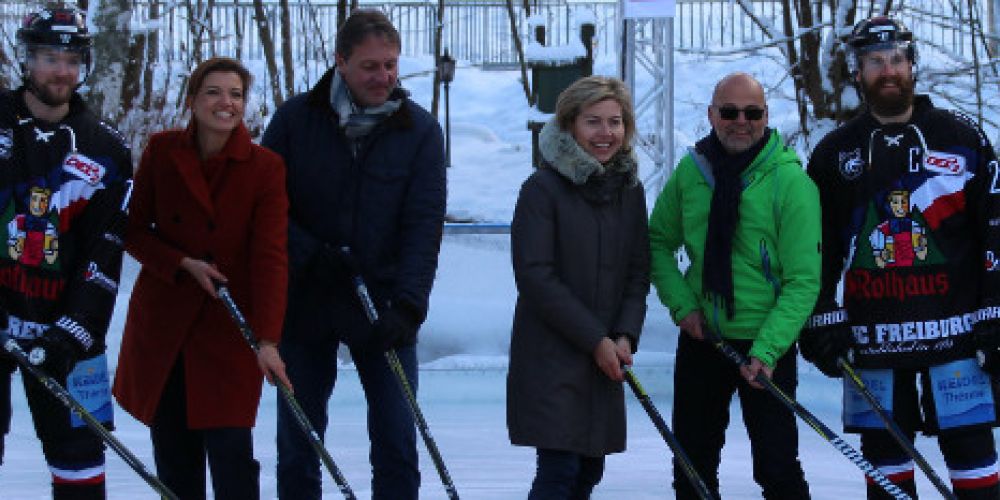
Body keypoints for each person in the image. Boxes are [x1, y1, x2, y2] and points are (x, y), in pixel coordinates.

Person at [800, 16, 1000, 499]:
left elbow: (995, 231)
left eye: (895, 59)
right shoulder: (832, 154)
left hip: (957, 341)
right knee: (888, 482)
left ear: (912, 65)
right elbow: (815, 249)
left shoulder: (962, 137)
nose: (887, 71)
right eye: (875, 61)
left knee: (976, 472)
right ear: (857, 71)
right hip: (873, 346)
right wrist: (820, 319)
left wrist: (995, 312)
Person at [261, 9, 446, 500]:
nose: (383, 77)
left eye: (390, 65)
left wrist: (409, 306)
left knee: (396, 439)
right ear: (341, 61)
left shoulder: (419, 131)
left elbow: (424, 226)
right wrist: (308, 253)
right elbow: (265, 208)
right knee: (299, 442)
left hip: (381, 302)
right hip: (306, 300)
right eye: (370, 66)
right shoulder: (294, 121)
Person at [112, 56, 290, 500]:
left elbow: (271, 258)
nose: (225, 103)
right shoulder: (161, 151)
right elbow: (132, 231)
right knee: (174, 456)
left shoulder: (265, 168)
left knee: (232, 454)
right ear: (192, 100)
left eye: (236, 94)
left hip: (228, 327)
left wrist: (268, 340)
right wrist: (180, 263)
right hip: (166, 326)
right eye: (213, 92)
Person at [648, 72, 821, 499]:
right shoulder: (692, 173)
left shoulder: (790, 182)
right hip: (703, 338)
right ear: (712, 115)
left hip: (767, 344)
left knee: (778, 470)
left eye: (752, 113)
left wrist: (767, 350)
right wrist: (683, 306)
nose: (741, 122)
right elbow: (656, 243)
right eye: (729, 112)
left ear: (766, 116)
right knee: (692, 468)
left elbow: (803, 280)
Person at [0, 3, 132, 498]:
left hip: (65, 332)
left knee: (80, 463)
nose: (62, 71)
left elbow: (105, 252)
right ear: (26, 60)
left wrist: (73, 333)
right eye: (50, 57)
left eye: (72, 59)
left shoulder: (106, 149)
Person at [507, 75, 650, 499]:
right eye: (593, 122)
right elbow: (536, 276)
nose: (606, 133)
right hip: (554, 357)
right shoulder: (542, 189)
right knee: (560, 471)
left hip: (603, 358)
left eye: (615, 122)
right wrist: (595, 339)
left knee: (588, 471)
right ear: (570, 125)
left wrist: (624, 334)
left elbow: (637, 272)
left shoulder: (629, 191)